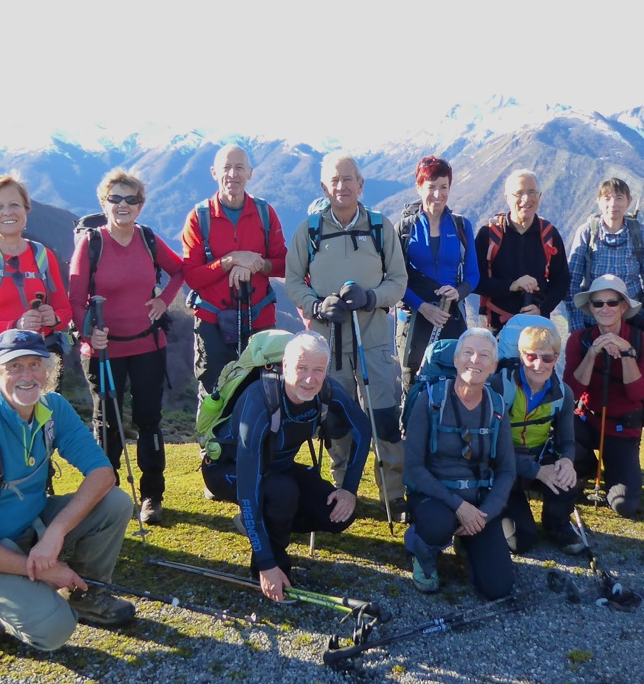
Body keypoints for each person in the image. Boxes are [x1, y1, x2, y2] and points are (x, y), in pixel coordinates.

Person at [0, 330, 136, 650]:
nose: (27, 376)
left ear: (48, 370)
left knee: (115, 503)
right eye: (14, 367)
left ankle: (85, 595)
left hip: (33, 528)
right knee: (55, 629)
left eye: (35, 364)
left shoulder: (52, 408)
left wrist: (56, 532)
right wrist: (44, 572)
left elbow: (102, 474)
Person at [283, 152, 409, 520]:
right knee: (336, 419)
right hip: (328, 344)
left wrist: (372, 297)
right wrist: (316, 306)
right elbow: (293, 280)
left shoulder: (379, 227)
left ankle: (393, 495)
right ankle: (342, 489)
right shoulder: (309, 230)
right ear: (325, 188)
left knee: (384, 416)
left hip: (374, 338)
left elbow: (398, 280)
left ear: (360, 184)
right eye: (334, 181)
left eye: (348, 179)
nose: (342, 186)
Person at [200, 331, 372, 600]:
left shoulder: (327, 391)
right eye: (302, 368)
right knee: (282, 492)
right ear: (285, 366)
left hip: (277, 468)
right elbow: (248, 487)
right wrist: (267, 564)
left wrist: (349, 489)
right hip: (226, 470)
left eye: (318, 370)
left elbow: (363, 430)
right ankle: (271, 567)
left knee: (338, 513)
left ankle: (265, 524)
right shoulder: (260, 401)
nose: (310, 379)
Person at [68, 169, 184, 525]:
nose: (123, 205)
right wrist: (89, 335)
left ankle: (152, 496)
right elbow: (75, 298)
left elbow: (179, 271)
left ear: (140, 205)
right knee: (107, 424)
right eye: (115, 198)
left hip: (148, 344)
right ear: (103, 203)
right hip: (104, 351)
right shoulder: (92, 243)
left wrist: (163, 301)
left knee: (149, 420)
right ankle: (108, 496)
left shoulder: (147, 238)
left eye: (130, 199)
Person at [402, 329, 516, 598]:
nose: (475, 360)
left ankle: (466, 540)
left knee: (498, 588)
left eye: (484, 355)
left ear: (493, 366)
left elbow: (507, 470)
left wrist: (485, 514)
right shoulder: (429, 400)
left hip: (478, 503)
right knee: (438, 523)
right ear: (455, 359)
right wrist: (459, 507)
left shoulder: (497, 406)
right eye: (468, 353)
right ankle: (422, 550)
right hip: (434, 498)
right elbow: (413, 467)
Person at [181, 145, 288, 403]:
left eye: (239, 167)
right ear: (214, 172)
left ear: (250, 173)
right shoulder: (199, 218)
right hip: (212, 322)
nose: (232, 174)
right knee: (215, 394)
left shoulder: (265, 213)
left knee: (264, 391)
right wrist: (231, 260)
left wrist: (255, 263)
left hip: (259, 318)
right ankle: (214, 432)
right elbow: (192, 276)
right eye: (226, 168)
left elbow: (284, 264)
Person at [563, 274, 644, 518]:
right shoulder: (578, 340)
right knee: (560, 428)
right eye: (598, 303)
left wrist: (627, 353)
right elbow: (570, 392)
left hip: (622, 429)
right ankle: (586, 468)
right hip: (585, 421)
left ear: (623, 307)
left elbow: (637, 393)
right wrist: (592, 353)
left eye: (612, 302)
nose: (605, 309)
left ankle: (611, 471)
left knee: (624, 505)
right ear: (591, 308)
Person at [0, 174, 74, 359]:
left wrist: (54, 319)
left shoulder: (43, 255)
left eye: (14, 205)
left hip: (44, 357)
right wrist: (14, 326)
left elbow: (65, 311)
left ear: (26, 209)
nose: (7, 212)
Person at [489, 325, 581, 554]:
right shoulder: (500, 387)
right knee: (520, 542)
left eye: (547, 357)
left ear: (556, 358)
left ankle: (557, 524)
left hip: (538, 456)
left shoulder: (563, 393)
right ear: (521, 356)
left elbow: (567, 440)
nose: (539, 365)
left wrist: (567, 460)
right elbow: (489, 447)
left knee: (567, 481)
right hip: (502, 467)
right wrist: (537, 471)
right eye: (531, 356)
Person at [396, 155, 480, 388]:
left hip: (451, 315)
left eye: (444, 187)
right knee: (413, 383)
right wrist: (422, 307)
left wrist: (458, 292)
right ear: (419, 187)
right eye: (431, 187)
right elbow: (394, 279)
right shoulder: (405, 228)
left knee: (454, 382)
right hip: (415, 318)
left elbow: (473, 274)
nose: (438, 194)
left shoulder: (461, 226)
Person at [473, 169, 571, 333]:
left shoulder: (549, 234)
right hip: (495, 327)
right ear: (507, 198)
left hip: (535, 326)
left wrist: (542, 308)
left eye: (532, 192)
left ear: (540, 196)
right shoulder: (489, 234)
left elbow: (562, 279)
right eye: (519, 193)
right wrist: (511, 285)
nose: (526, 199)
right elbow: (475, 281)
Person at [565, 178, 644, 334]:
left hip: (632, 321)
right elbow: (571, 282)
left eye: (619, 198)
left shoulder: (640, 233)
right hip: (593, 321)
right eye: (607, 198)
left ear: (629, 201)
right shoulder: (587, 232)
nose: (613, 204)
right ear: (598, 201)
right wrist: (578, 327)